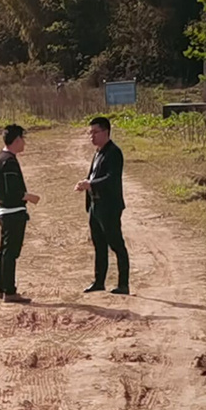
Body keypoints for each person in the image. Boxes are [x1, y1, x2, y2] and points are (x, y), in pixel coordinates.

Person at [75, 116, 129, 295]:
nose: (92, 136)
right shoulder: (98, 152)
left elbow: (111, 178)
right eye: (90, 133)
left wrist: (91, 184)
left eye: (95, 132)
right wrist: (85, 184)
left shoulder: (114, 152)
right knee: (99, 244)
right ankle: (99, 281)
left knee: (116, 244)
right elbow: (94, 176)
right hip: (95, 205)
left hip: (109, 207)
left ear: (106, 132)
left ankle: (123, 284)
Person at [0, 124, 40, 303]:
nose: (24, 143)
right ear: (17, 140)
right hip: (12, 212)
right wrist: (30, 197)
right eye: (23, 139)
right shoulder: (9, 161)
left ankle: (2, 288)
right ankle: (9, 291)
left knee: (4, 251)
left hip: (5, 211)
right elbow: (12, 191)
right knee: (10, 252)